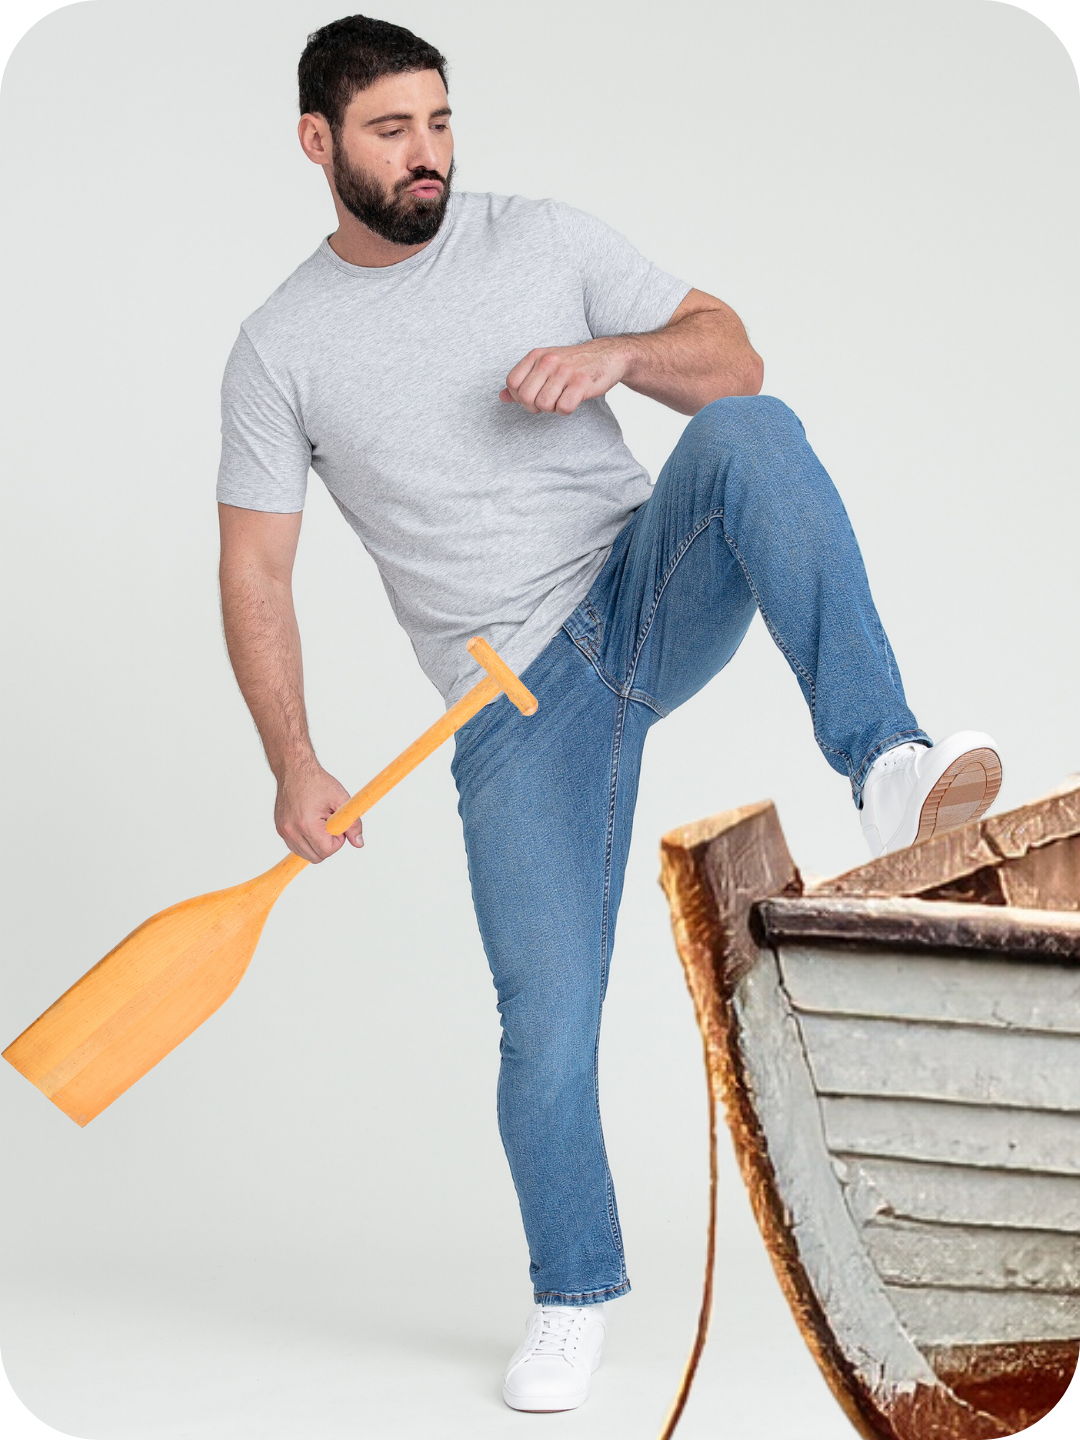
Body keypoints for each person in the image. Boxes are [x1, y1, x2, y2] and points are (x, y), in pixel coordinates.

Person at [216, 14, 1001, 1414]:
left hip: (646, 587)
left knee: (751, 434)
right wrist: (294, 757)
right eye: (393, 130)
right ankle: (573, 1293)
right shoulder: (281, 346)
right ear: (316, 142)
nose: (429, 156)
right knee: (545, 1025)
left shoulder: (543, 239)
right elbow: (255, 565)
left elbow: (733, 359)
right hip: (515, 708)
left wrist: (620, 357)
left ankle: (887, 763)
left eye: (442, 122)